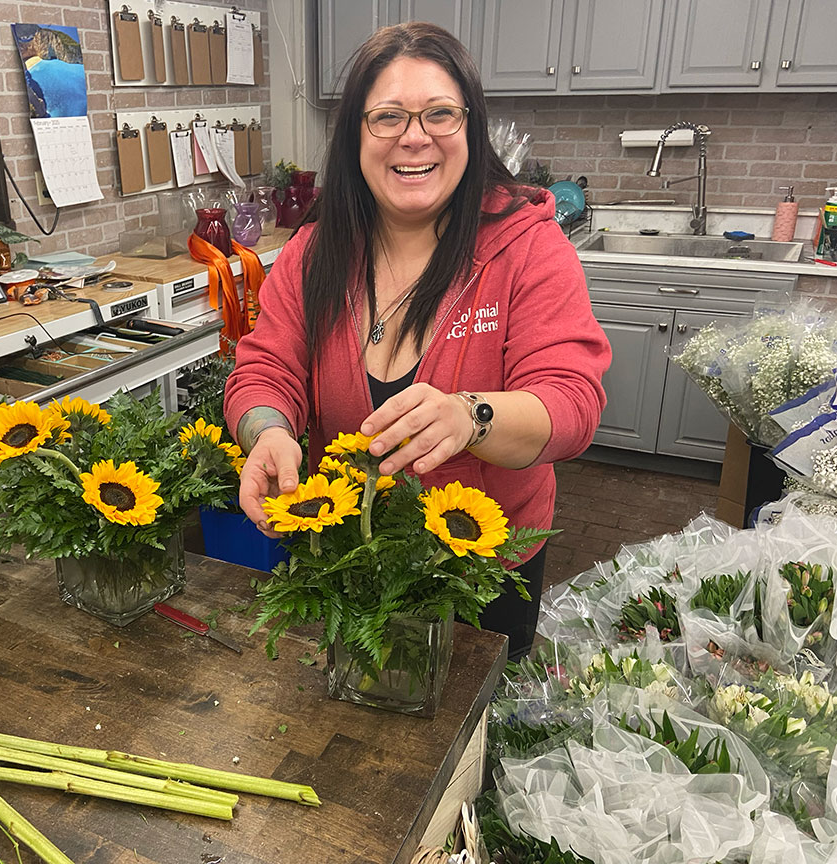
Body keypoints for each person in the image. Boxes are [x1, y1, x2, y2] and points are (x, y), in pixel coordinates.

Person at [223, 22, 611, 660]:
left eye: (439, 114)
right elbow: (265, 368)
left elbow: (570, 403)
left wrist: (471, 415)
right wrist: (266, 431)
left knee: (470, 739)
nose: (414, 135)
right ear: (355, 135)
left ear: (470, 128)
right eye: (387, 117)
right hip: (349, 552)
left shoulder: (528, 248)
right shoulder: (311, 254)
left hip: (484, 566)